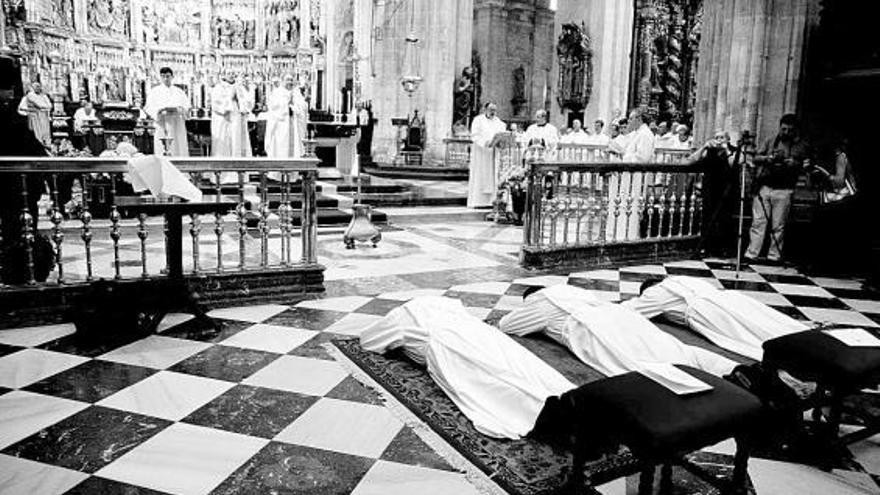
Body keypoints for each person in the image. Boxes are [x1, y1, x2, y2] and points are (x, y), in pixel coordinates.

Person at [361, 296, 576, 440]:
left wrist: (400, 348)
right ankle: (569, 397)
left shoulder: (400, 316)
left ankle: (540, 412)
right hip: (478, 331)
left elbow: (369, 341)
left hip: (445, 344)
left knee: (484, 379)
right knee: (518, 363)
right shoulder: (444, 302)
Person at [622, 276, 811, 361]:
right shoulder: (681, 279)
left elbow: (630, 309)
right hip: (729, 298)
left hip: (707, 311)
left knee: (747, 334)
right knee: (766, 320)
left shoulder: (656, 292)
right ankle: (808, 340)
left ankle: (794, 353)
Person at [745, 113, 809, 262]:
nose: (786, 133)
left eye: (789, 130)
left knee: (778, 225)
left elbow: (806, 165)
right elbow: (755, 157)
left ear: (795, 131)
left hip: (785, 188)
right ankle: (752, 253)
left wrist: (794, 163)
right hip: (765, 185)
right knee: (758, 222)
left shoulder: (801, 146)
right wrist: (768, 159)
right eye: (783, 129)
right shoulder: (770, 141)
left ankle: (774, 255)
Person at [688, 130, 738, 256]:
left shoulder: (732, 150)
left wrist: (726, 150)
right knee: (707, 218)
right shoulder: (710, 151)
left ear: (727, 139)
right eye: (716, 137)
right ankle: (707, 247)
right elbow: (690, 160)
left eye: (722, 137)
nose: (719, 140)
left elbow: (734, 164)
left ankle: (724, 249)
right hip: (710, 188)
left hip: (726, 189)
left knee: (725, 219)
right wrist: (704, 147)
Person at [467, 102, 506, 208]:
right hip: (481, 153)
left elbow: (502, 135)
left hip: (494, 153)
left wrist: (500, 142)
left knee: (494, 176)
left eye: (494, 110)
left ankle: (492, 201)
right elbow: (474, 135)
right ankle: (478, 201)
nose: (493, 112)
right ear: (485, 109)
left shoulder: (499, 123)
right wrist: (485, 142)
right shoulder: (478, 120)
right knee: (481, 176)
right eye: (491, 109)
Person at [144, 67, 190, 156]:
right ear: (160, 77)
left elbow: (186, 106)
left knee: (178, 146)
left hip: (177, 122)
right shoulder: (155, 91)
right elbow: (148, 107)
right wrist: (159, 111)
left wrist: (179, 109)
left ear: (172, 77)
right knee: (162, 147)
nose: (165, 79)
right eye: (163, 76)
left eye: (168, 76)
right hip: (162, 122)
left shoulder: (179, 92)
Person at [264, 75, 292, 158]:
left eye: (291, 80)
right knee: (278, 144)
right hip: (278, 122)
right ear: (282, 81)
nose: (290, 82)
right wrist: (287, 105)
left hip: (287, 121)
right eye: (287, 80)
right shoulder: (277, 92)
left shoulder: (290, 92)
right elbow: (273, 106)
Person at [17, 81, 52, 146]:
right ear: (32, 87)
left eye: (39, 86)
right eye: (36, 86)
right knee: (36, 133)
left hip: (44, 116)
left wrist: (43, 108)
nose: (38, 88)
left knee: (46, 133)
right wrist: (29, 111)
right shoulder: (28, 97)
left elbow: (49, 105)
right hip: (33, 117)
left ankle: (47, 144)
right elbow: (21, 108)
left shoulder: (44, 96)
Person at [210, 73, 236, 157]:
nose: (232, 75)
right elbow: (215, 104)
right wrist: (226, 108)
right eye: (229, 74)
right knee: (221, 142)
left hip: (232, 118)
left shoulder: (235, 87)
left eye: (233, 74)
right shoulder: (218, 87)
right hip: (221, 119)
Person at [233, 75, 255, 157]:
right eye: (244, 81)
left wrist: (248, 109)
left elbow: (252, 102)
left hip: (248, 114)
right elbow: (239, 100)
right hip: (240, 115)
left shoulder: (251, 90)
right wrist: (243, 109)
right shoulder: (239, 89)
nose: (246, 82)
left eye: (247, 81)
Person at [289, 83, 308, 159]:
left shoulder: (300, 102)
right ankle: (301, 152)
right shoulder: (303, 101)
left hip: (299, 123)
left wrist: (290, 106)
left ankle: (299, 153)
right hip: (301, 122)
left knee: (299, 138)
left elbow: (297, 111)